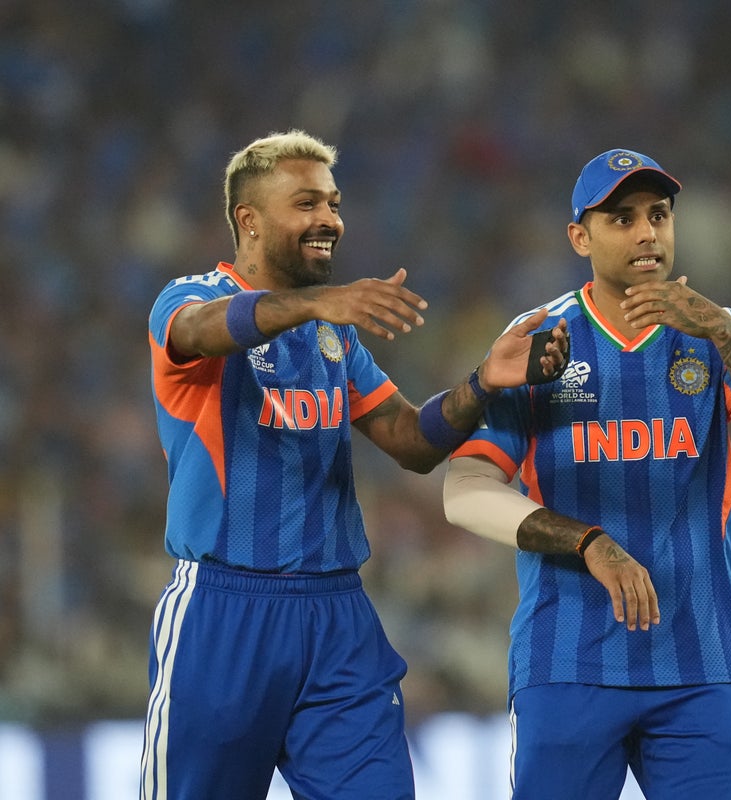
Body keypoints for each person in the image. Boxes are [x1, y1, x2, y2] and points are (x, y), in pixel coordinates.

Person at [140, 129, 567, 800]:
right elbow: (197, 331)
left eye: (333, 204)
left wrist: (483, 382)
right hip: (222, 615)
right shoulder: (188, 297)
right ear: (249, 220)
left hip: (336, 617)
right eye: (306, 203)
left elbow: (410, 439)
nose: (329, 220)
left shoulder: (331, 332)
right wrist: (316, 302)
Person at [442, 148, 731, 799]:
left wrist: (725, 334)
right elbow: (466, 489)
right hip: (567, 664)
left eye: (659, 214)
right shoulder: (540, 336)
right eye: (623, 218)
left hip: (701, 665)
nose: (647, 232)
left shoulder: (716, 331)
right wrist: (589, 542)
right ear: (580, 237)